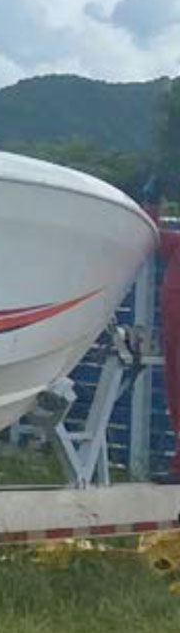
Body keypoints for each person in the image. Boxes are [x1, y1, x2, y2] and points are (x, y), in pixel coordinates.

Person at [143, 173, 180, 478]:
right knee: (176, 400)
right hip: (173, 334)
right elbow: (150, 235)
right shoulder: (177, 244)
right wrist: (151, 201)